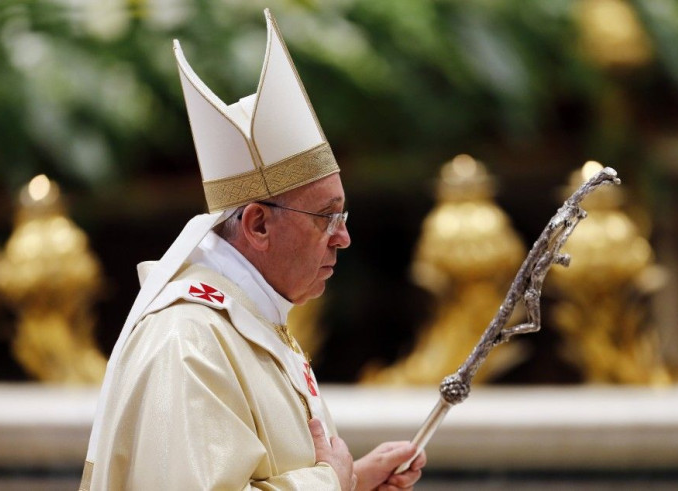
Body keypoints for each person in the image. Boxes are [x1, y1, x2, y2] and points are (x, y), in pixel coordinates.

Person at [80, 8, 426, 491]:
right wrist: (329, 483)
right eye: (327, 217)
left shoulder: (247, 322)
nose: (343, 237)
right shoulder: (188, 342)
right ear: (258, 224)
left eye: (343, 216)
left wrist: (354, 481)